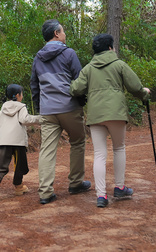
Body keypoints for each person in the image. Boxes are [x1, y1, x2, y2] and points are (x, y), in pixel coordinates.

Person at [70, 33, 150, 208]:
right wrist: (145, 93)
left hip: (96, 115)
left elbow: (75, 89)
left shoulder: (88, 68)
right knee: (119, 148)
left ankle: (101, 196)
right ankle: (120, 187)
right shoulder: (119, 65)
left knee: (99, 154)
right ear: (109, 48)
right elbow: (135, 86)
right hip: (116, 113)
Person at [30, 19, 91, 205]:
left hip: (48, 110)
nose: (65, 34)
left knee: (47, 150)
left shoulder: (37, 58)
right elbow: (80, 82)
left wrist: (41, 109)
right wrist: (81, 102)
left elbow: (34, 86)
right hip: (69, 107)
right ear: (56, 33)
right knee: (78, 142)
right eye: (63, 31)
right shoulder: (69, 53)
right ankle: (75, 183)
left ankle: (45, 192)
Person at [0, 84, 41, 202]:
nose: (22, 96)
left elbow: (0, 125)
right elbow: (25, 119)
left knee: (1, 163)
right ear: (17, 95)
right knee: (19, 165)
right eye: (21, 93)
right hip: (17, 141)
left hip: (4, 140)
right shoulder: (21, 106)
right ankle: (18, 186)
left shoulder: (3, 107)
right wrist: (41, 119)